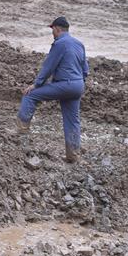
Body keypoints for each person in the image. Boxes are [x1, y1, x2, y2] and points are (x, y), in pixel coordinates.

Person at [16, 16, 89, 163]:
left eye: (52, 30)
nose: (52, 33)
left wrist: (36, 84)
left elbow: (49, 66)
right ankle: (73, 155)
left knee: (30, 96)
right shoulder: (79, 44)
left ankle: (20, 134)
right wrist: (79, 83)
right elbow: (85, 69)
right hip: (78, 85)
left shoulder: (60, 43)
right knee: (72, 120)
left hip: (65, 84)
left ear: (57, 29)